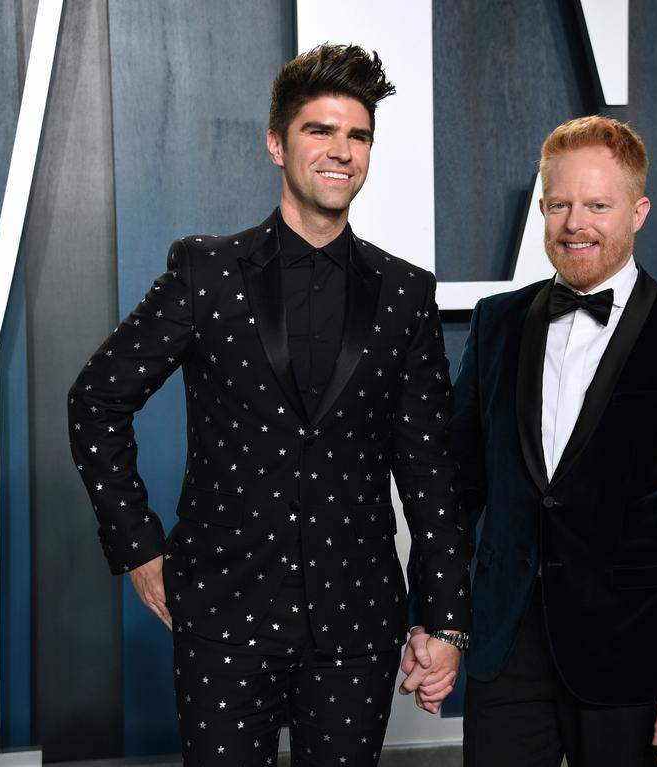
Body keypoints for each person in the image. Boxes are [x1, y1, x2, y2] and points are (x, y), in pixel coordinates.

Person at [66, 43, 470, 766]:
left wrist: (444, 619)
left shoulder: (405, 292)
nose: (342, 151)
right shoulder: (207, 271)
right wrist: (138, 546)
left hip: (357, 622)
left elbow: (430, 468)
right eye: (321, 130)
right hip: (223, 611)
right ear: (277, 144)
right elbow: (95, 399)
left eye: (358, 135)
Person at [436, 115, 657, 766]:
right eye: (560, 204)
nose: (575, 223)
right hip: (506, 650)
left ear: (638, 212)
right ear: (542, 210)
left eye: (598, 205)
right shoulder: (498, 323)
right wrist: (439, 619)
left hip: (632, 656)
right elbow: (457, 491)